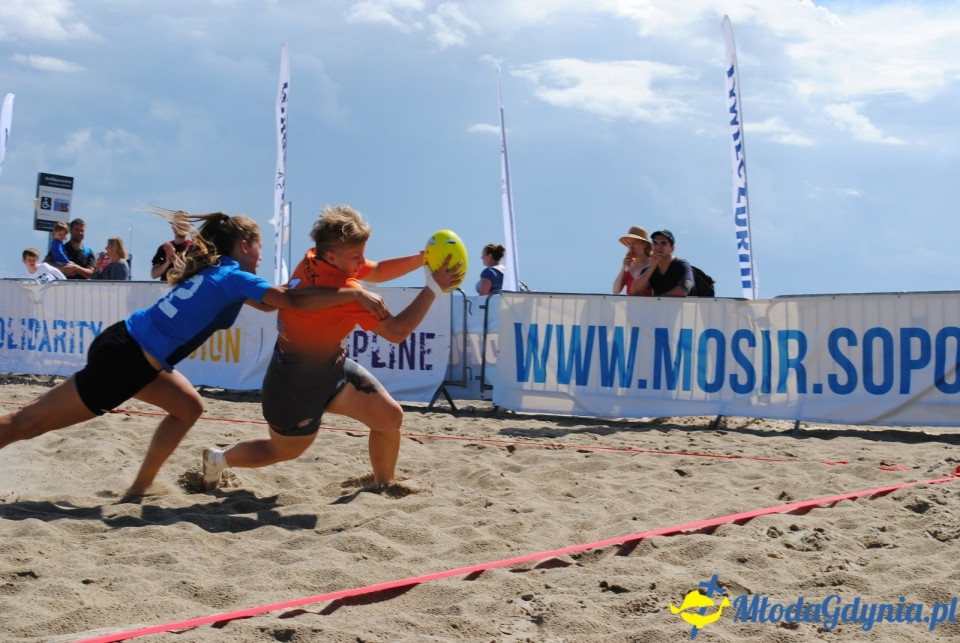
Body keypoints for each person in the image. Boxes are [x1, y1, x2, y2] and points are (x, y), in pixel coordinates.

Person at [0, 208, 390, 500]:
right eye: (258, 248)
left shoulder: (219, 271)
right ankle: (139, 487)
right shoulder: (234, 275)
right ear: (243, 246)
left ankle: (139, 488)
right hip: (126, 358)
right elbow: (289, 299)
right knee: (30, 422)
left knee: (189, 408)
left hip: (136, 353)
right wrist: (354, 293)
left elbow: (276, 304)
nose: (260, 257)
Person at [201, 204, 464, 493]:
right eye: (356, 256)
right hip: (292, 389)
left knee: (390, 418)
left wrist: (421, 259)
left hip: (330, 368)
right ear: (332, 255)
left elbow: (374, 270)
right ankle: (219, 459)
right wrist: (433, 289)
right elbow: (398, 332)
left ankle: (383, 485)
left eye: (361, 253)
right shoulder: (350, 294)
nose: (362, 262)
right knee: (284, 450)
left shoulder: (316, 257)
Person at [638, 229, 695, 297]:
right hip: (662, 307)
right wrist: (651, 268)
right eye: (655, 243)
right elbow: (634, 290)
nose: (658, 247)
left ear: (672, 248)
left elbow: (684, 289)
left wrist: (659, 300)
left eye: (663, 243)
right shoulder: (651, 268)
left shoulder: (681, 265)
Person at [151, 214, 195, 282]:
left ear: (189, 227)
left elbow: (191, 272)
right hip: (166, 289)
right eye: (178, 224)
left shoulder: (193, 248)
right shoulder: (164, 248)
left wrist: (173, 257)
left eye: (183, 224)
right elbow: (154, 274)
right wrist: (167, 263)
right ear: (173, 226)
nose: (180, 227)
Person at [613, 226, 653, 296]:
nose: (631, 247)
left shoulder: (653, 264)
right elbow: (616, 291)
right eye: (628, 243)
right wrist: (623, 268)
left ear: (644, 244)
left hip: (650, 306)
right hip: (631, 307)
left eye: (634, 243)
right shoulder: (628, 266)